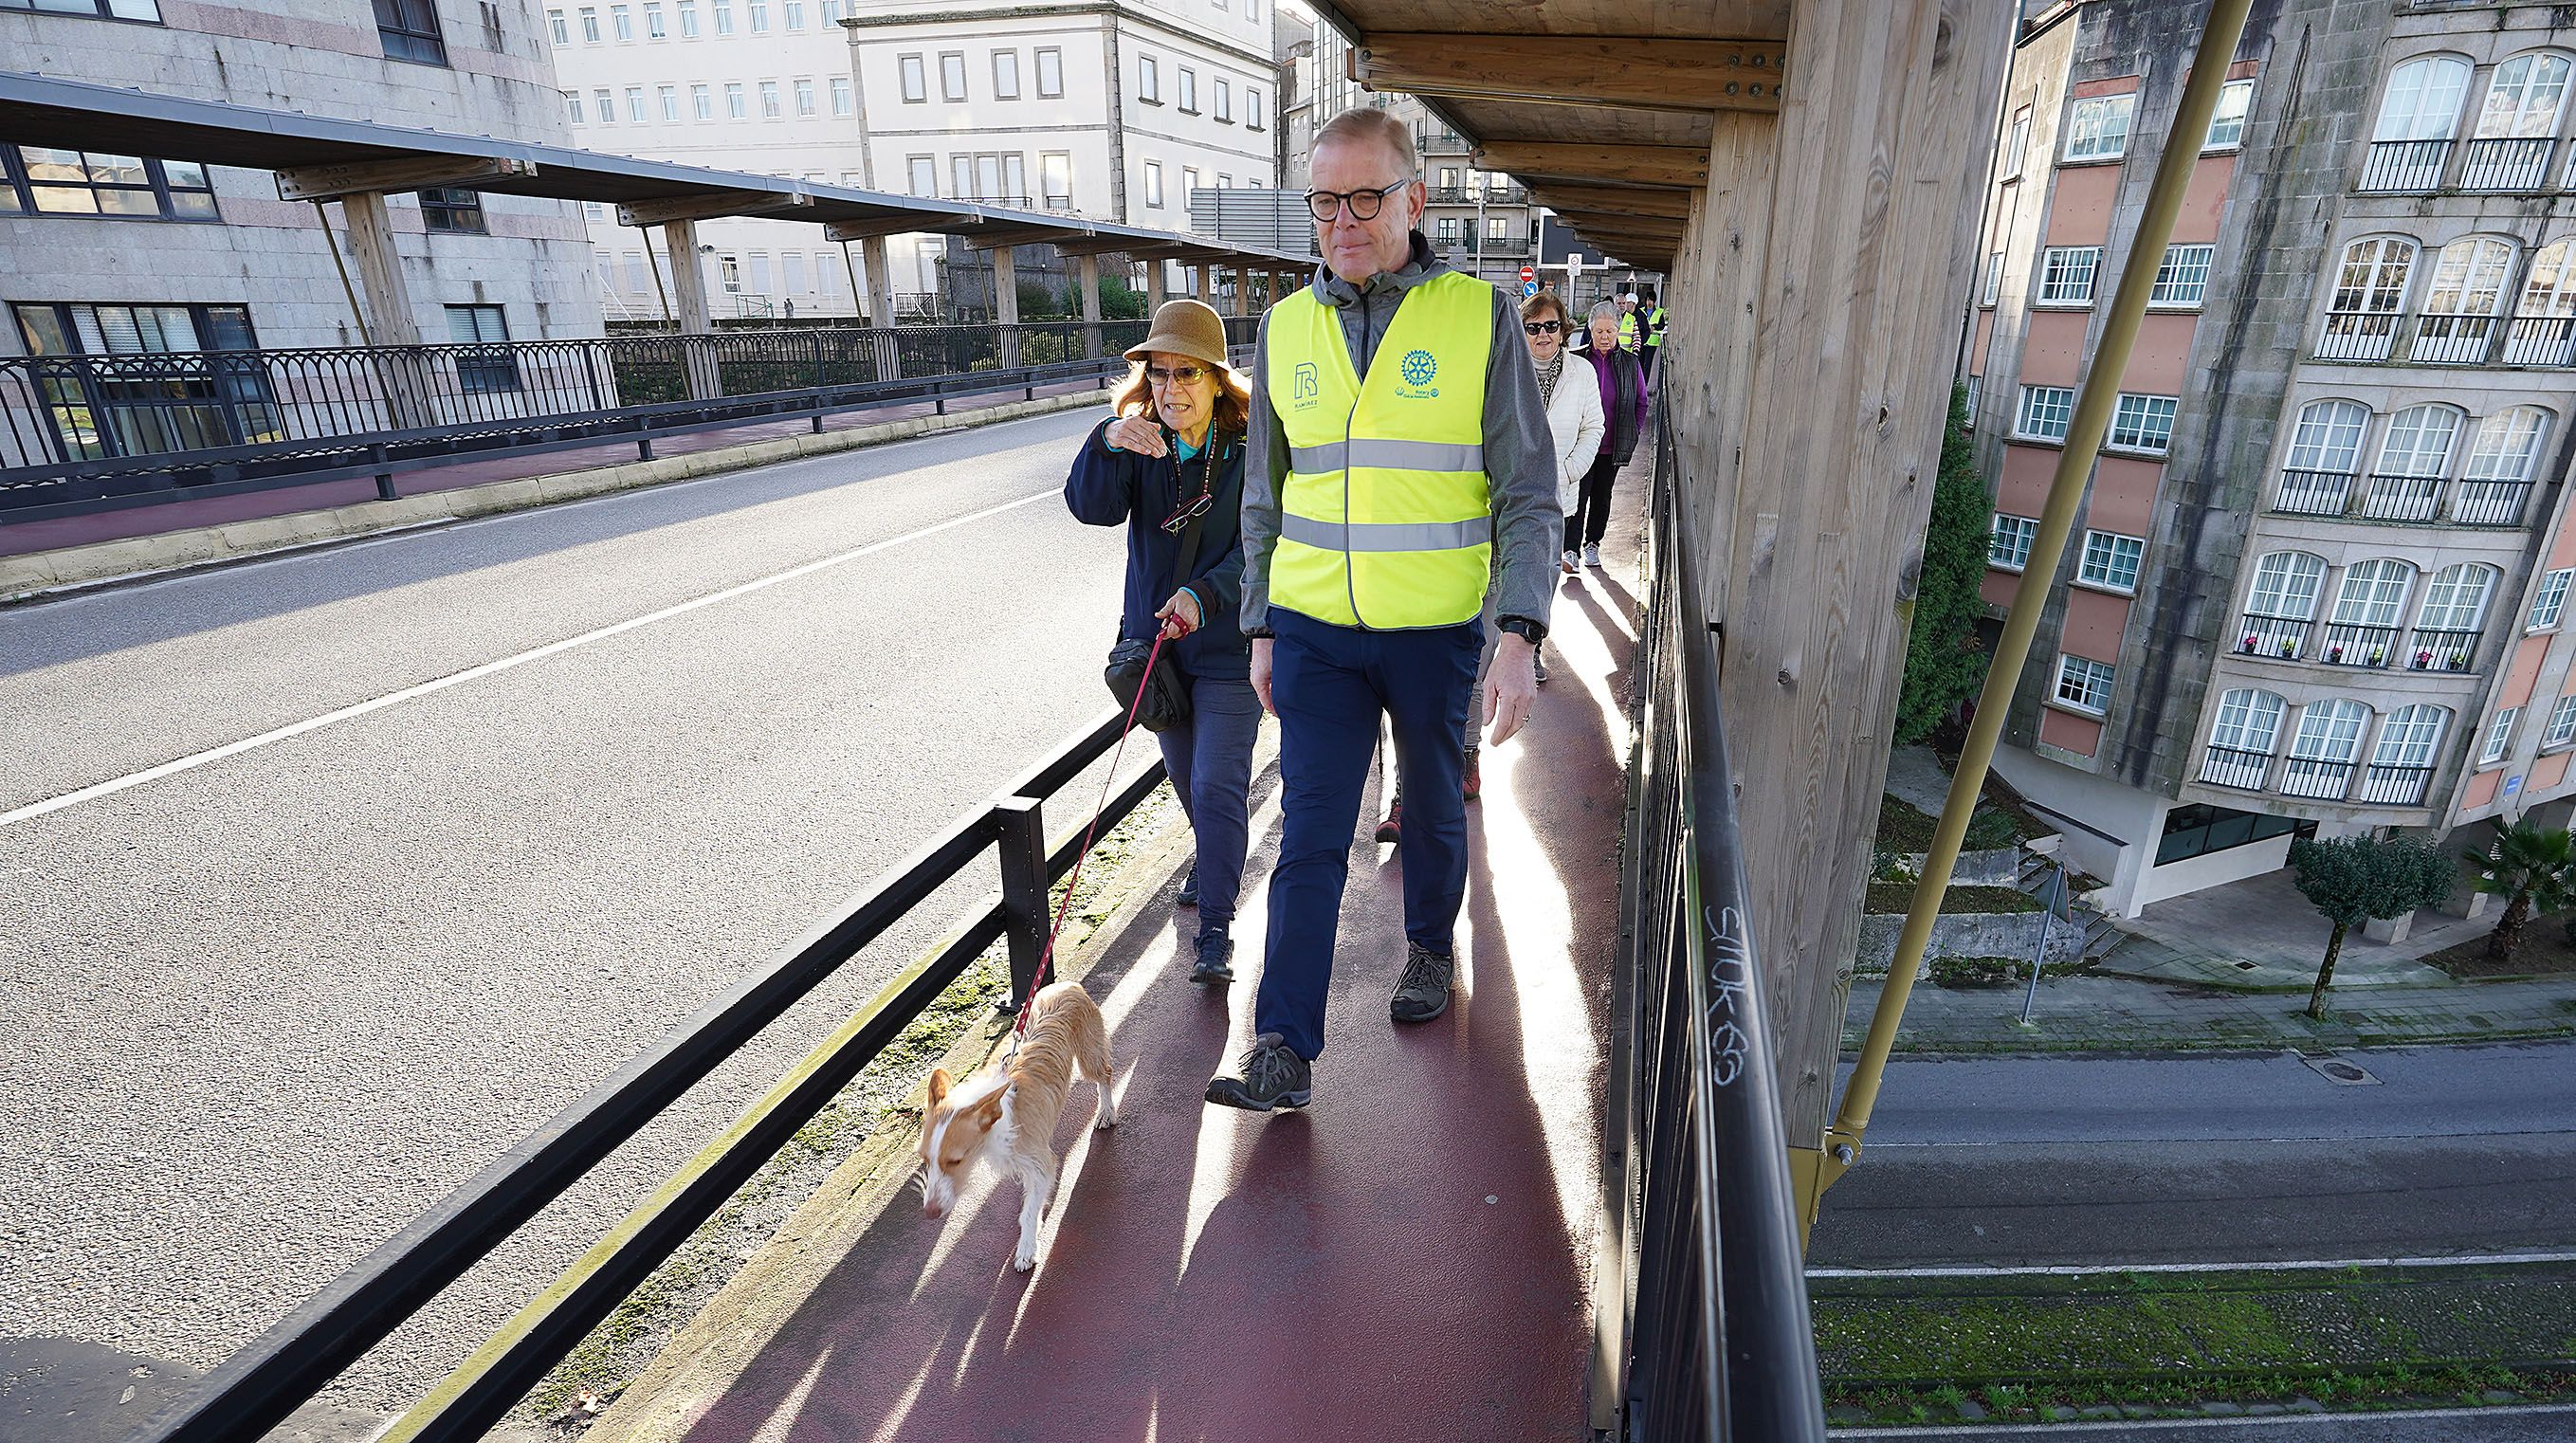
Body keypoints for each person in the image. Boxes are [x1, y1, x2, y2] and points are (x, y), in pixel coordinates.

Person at [1204, 105, 1559, 1112]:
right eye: (1324, 200)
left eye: (1364, 196)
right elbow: (1266, 495)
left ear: (1412, 197)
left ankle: (1426, 945)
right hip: (1314, 630)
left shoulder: (1475, 315)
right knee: (1310, 829)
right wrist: (1261, 621)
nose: (1343, 220)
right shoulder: (1283, 326)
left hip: (1435, 628)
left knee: (1433, 808)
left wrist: (1519, 633)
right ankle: (1280, 1043)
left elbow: (1528, 491)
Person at [1063, 299, 1260, 986]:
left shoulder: (1249, 446)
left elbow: (1263, 543)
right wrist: (1105, 440)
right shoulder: (1139, 441)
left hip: (1231, 644)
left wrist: (1205, 595)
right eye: (1158, 374)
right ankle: (1213, 862)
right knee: (1184, 777)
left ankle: (1215, 927)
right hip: (1157, 651)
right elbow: (1092, 509)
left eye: (1186, 375)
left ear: (1215, 380)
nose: (1170, 390)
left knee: (1215, 782)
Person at [1374, 288, 1598, 842]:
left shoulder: (1579, 375)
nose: (1542, 335)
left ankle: (1463, 757)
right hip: (1458, 539)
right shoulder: (1477, 368)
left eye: (1551, 327)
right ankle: (1410, 787)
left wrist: (1563, 475)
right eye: (1534, 326)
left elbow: (1587, 433)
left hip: (1518, 536)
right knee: (1424, 674)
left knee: (1471, 662)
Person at [1567, 301, 1647, 573]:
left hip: (1611, 445)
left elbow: (1641, 402)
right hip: (1579, 445)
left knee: (1602, 496)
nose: (1604, 337)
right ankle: (1570, 549)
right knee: (1578, 495)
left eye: (1609, 331)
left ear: (1618, 330)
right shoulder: (1577, 360)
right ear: (1590, 329)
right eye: (1599, 331)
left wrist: (1632, 434)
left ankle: (1593, 544)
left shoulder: (1630, 363)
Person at [1637, 286, 1668, 383]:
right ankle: (1638, 382)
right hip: (1642, 341)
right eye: (1648, 300)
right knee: (1639, 363)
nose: (1649, 302)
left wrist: (1654, 326)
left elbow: (1662, 325)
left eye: (1651, 300)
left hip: (1652, 342)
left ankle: (1644, 384)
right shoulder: (1641, 311)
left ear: (1654, 301)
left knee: (1647, 364)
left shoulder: (1659, 312)